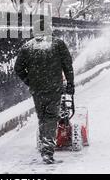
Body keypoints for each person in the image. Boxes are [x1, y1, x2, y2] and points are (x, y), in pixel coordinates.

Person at [14, 18, 75, 164]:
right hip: (54, 89)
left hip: (37, 90)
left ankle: (44, 146)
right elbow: (68, 65)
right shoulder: (58, 44)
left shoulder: (27, 47)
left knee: (42, 118)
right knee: (51, 118)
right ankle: (47, 151)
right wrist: (70, 83)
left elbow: (18, 69)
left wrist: (30, 81)